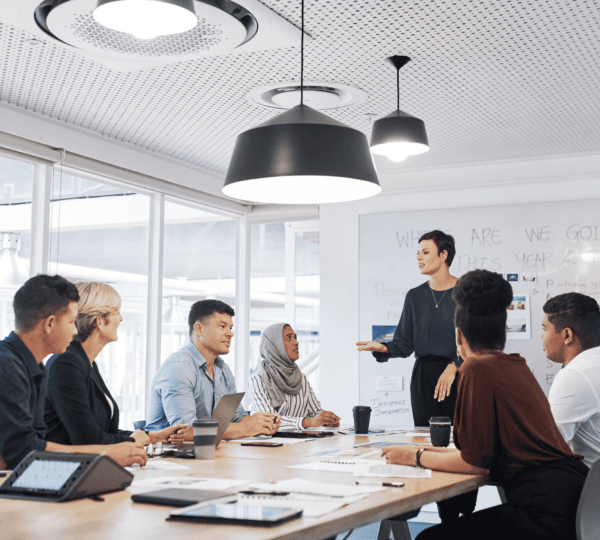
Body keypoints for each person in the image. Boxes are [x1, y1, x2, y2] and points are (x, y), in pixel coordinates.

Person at [381, 269, 589, 540]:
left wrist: (414, 457)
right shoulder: (516, 364)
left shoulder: (475, 368)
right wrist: (420, 451)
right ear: (503, 331)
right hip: (575, 497)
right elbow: (481, 453)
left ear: (458, 337)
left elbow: (475, 463)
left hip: (543, 511)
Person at [356, 230, 475, 520]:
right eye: (417, 253)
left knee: (461, 442)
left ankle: (460, 512)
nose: (419, 258)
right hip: (423, 377)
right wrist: (383, 347)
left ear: (443, 255)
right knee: (428, 441)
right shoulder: (415, 296)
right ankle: (440, 511)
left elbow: (477, 340)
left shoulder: (468, 293)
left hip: (460, 375)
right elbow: (405, 344)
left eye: (425, 252)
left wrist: (456, 364)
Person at [0, 275, 147, 470]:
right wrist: (106, 452)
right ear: (50, 324)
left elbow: (35, 441)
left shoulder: (34, 368)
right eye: (71, 322)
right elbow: (21, 450)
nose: (76, 331)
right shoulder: (7, 366)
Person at [44, 281, 186, 447]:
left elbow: (102, 433)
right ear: (100, 321)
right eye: (116, 312)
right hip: (66, 469)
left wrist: (153, 436)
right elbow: (89, 440)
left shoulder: (85, 362)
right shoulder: (66, 364)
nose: (121, 318)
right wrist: (133, 441)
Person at [145, 299, 281, 440]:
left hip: (204, 452)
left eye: (230, 327)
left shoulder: (223, 370)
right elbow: (187, 430)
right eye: (222, 326)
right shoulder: (179, 368)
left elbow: (234, 417)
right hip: (167, 455)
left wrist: (260, 424)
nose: (230, 334)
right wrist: (246, 428)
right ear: (199, 329)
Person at [543, 292, 600, 467]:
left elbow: (546, 444)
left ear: (567, 335)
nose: (542, 336)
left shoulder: (576, 374)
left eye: (545, 329)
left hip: (589, 488)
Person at [249, 323, 340, 430]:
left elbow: (315, 413)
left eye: (295, 338)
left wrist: (328, 420)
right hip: (267, 444)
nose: (296, 342)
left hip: (297, 443)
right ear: (274, 346)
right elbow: (269, 421)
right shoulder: (258, 379)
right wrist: (306, 422)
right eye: (288, 338)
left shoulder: (301, 378)